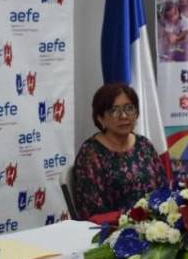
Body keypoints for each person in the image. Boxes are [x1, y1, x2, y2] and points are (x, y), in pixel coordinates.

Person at [72, 84, 169, 217]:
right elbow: (92, 210)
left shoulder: (144, 145)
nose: (123, 116)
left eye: (129, 108)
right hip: (114, 227)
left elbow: (163, 188)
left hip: (154, 222)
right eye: (114, 110)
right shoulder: (90, 154)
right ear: (100, 118)